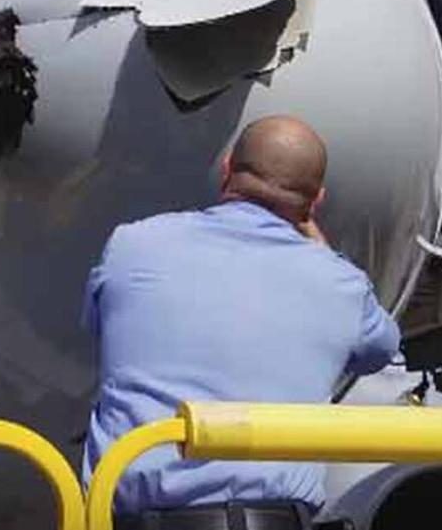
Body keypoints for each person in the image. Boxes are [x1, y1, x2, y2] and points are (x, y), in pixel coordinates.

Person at [82, 114, 400, 530]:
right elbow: (381, 348)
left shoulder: (132, 244)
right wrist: (323, 254)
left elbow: (96, 323)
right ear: (316, 200)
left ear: (228, 167)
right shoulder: (342, 285)